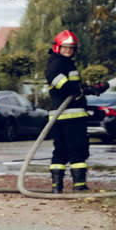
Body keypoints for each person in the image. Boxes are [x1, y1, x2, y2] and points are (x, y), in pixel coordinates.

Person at [46, 29, 89, 193]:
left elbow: (74, 86)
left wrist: (89, 88)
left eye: (71, 48)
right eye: (65, 47)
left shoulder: (64, 62)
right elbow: (56, 80)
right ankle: (79, 186)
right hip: (71, 115)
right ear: (58, 47)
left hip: (60, 115)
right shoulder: (57, 62)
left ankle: (57, 187)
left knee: (61, 150)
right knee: (77, 148)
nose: (68, 50)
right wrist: (76, 89)